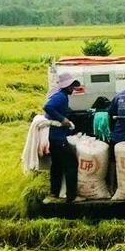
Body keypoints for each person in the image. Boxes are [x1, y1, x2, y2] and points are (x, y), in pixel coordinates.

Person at [43, 72, 80, 202]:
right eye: (71, 86)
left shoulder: (59, 95)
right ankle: (72, 196)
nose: (73, 89)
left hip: (53, 136)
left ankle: (54, 193)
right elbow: (47, 107)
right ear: (67, 86)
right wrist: (62, 118)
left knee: (57, 165)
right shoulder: (61, 97)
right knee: (71, 164)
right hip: (58, 137)